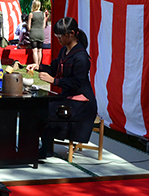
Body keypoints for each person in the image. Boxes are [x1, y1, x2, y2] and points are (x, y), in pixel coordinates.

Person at [26, 17, 98, 158]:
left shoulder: (81, 57)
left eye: (61, 35)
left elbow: (77, 82)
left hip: (81, 103)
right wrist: (38, 66)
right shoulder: (63, 52)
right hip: (67, 98)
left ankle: (45, 150)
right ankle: (40, 148)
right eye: (57, 35)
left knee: (46, 111)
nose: (58, 38)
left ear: (71, 34)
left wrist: (54, 81)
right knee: (37, 107)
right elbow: (53, 68)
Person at [27, 0, 49, 67]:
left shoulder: (31, 14)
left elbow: (29, 26)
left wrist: (31, 30)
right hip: (41, 33)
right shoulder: (43, 14)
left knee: (34, 50)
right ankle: (39, 65)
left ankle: (35, 64)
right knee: (40, 50)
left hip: (33, 32)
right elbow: (44, 25)